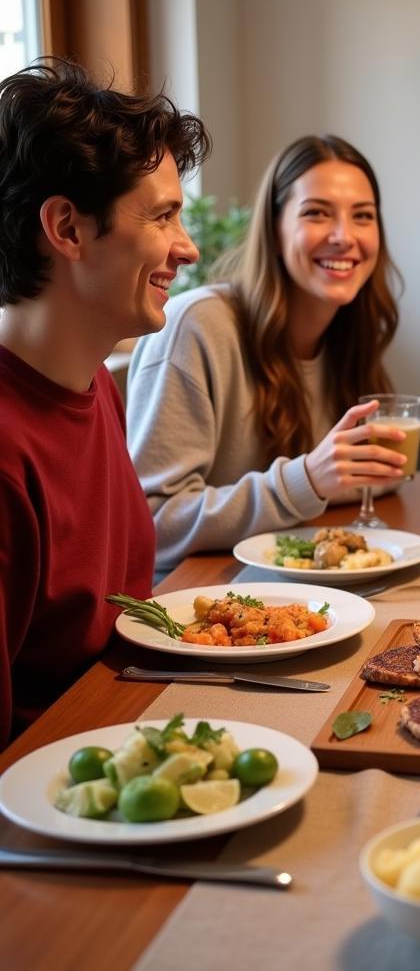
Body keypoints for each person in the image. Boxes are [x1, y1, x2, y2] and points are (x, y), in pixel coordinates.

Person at [0, 58, 210, 746]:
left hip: (133, 733)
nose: (189, 247)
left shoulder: (96, 388)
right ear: (66, 229)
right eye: (163, 217)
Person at [127, 135, 408, 573]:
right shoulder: (195, 326)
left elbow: (361, 480)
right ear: (274, 231)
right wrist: (307, 480)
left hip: (298, 590)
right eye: (316, 213)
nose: (343, 237)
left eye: (363, 217)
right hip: (198, 602)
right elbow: (153, 521)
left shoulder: (348, 332)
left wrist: (336, 477)